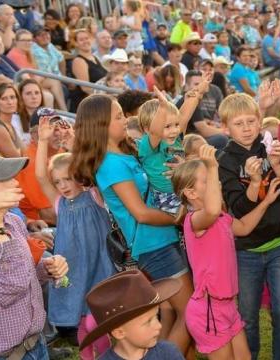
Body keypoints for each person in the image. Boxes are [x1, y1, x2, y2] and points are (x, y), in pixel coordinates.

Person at [69, 94, 193, 354]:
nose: (125, 120)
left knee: (168, 313)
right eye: (117, 117)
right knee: (190, 313)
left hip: (162, 238)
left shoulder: (125, 152)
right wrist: (181, 217)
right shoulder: (110, 165)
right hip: (153, 244)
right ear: (101, 125)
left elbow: (164, 132)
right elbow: (141, 213)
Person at [173, 145, 280, 358]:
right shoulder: (195, 220)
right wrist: (213, 167)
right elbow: (212, 209)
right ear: (191, 192)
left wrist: (266, 201)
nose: (217, 183)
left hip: (227, 306)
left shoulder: (221, 218)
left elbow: (243, 226)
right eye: (208, 181)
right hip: (208, 309)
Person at [217, 93, 280, 360]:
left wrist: (276, 165)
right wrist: (253, 182)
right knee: (248, 315)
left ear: (260, 121)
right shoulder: (225, 161)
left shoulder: (268, 146)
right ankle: (248, 355)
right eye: (238, 123)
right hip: (246, 250)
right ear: (225, 128)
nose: (247, 128)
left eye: (251, 121)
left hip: (278, 243)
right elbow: (238, 209)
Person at [34, 115, 116, 360]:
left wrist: (73, 144)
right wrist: (43, 141)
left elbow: (93, 169)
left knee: (96, 323)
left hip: (99, 269)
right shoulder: (60, 203)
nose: (63, 185)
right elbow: (40, 176)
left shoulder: (94, 196)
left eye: (68, 178)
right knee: (81, 324)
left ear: (78, 175)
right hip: (73, 272)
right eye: (58, 182)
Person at [0, 155, 69, 359]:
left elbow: (24, 271)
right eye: (5, 178)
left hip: (35, 343)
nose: (16, 182)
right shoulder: (1, 224)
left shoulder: (13, 221)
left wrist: (46, 268)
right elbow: (9, 289)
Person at [78, 270, 184, 360]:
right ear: (119, 332)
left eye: (156, 316)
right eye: (148, 322)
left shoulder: (168, 354)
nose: (159, 326)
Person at [136, 85, 203, 215]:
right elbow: (155, 133)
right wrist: (162, 107)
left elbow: (184, 116)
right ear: (147, 129)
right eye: (167, 126)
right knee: (199, 213)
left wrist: (194, 96)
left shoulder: (176, 138)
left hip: (183, 189)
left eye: (176, 125)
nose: (174, 131)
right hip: (165, 197)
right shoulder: (149, 145)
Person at [176, 70, 226, 149]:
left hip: (187, 140)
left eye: (202, 83)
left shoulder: (196, 99)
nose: (200, 86)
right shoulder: (189, 98)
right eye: (196, 84)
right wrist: (227, 131)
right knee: (222, 139)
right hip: (181, 145)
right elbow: (204, 130)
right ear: (186, 86)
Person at [69, 29, 107, 112]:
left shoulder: (94, 57)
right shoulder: (78, 61)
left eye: (87, 38)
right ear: (76, 43)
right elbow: (85, 88)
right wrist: (106, 97)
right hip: (88, 104)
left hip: (100, 97)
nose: (85, 41)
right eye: (81, 40)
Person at [0, 82, 24, 157]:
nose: (10, 102)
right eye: (4, 99)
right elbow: (17, 160)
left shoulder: (10, 125)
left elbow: (25, 152)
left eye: (12, 97)